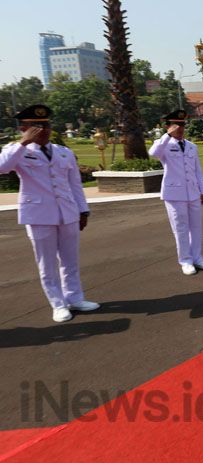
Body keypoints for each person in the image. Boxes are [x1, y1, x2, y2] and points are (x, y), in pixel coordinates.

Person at [0, 104, 99, 322]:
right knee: (47, 263)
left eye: (46, 126)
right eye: (36, 127)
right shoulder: (17, 151)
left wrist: (83, 210)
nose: (43, 131)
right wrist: (24, 141)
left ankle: (75, 298)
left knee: (70, 260)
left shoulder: (64, 152)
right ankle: (58, 303)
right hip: (38, 215)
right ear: (22, 128)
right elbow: (2, 167)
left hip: (68, 212)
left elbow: (75, 185)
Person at [149, 110, 203, 276]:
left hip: (193, 193)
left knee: (196, 227)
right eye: (176, 125)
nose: (180, 128)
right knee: (181, 228)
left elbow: (198, 171)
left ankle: (197, 258)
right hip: (174, 194)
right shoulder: (163, 145)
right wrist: (166, 135)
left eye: (182, 124)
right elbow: (153, 154)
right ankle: (185, 260)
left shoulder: (192, 146)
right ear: (168, 126)